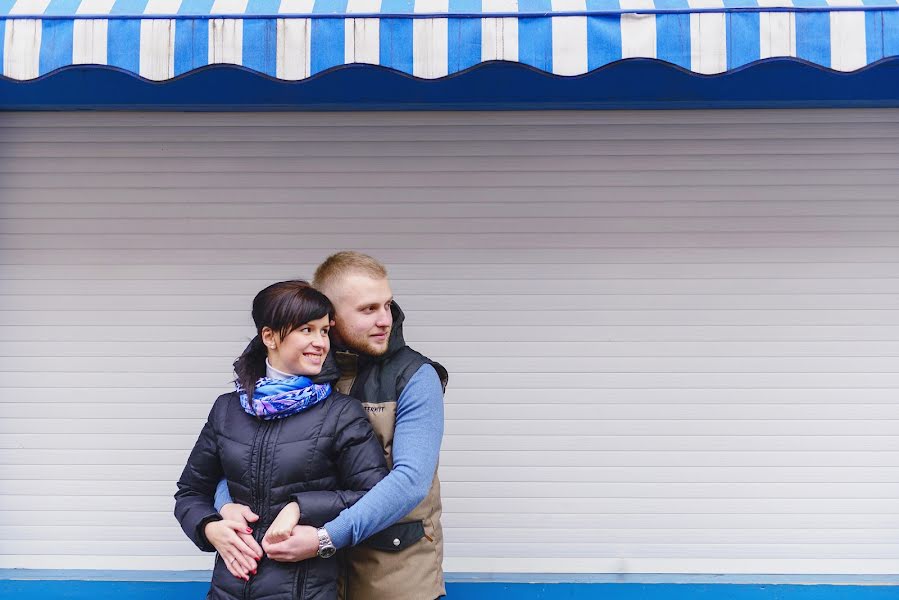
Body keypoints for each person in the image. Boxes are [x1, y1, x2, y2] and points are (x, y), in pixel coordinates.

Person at [216, 252, 449, 600]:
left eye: (387, 305)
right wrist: (223, 510)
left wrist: (325, 538)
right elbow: (242, 454)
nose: (385, 319)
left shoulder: (415, 376)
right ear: (332, 316)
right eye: (368, 309)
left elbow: (410, 482)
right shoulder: (303, 372)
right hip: (310, 578)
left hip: (394, 575)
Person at [174, 280, 388, 600]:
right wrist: (210, 528)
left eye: (324, 331)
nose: (320, 342)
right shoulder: (227, 409)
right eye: (306, 330)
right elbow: (190, 492)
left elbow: (375, 498)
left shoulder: (341, 414)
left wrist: (299, 508)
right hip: (227, 590)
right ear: (269, 337)